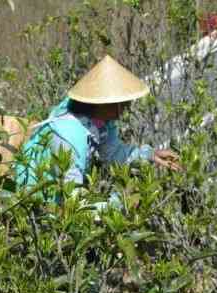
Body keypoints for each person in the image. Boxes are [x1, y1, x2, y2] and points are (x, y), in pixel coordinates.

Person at [16, 55, 181, 207]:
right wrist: (118, 204)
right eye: (122, 102)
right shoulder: (68, 135)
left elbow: (113, 152)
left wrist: (150, 154)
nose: (127, 106)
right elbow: (72, 201)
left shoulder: (100, 122)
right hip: (41, 205)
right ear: (103, 102)